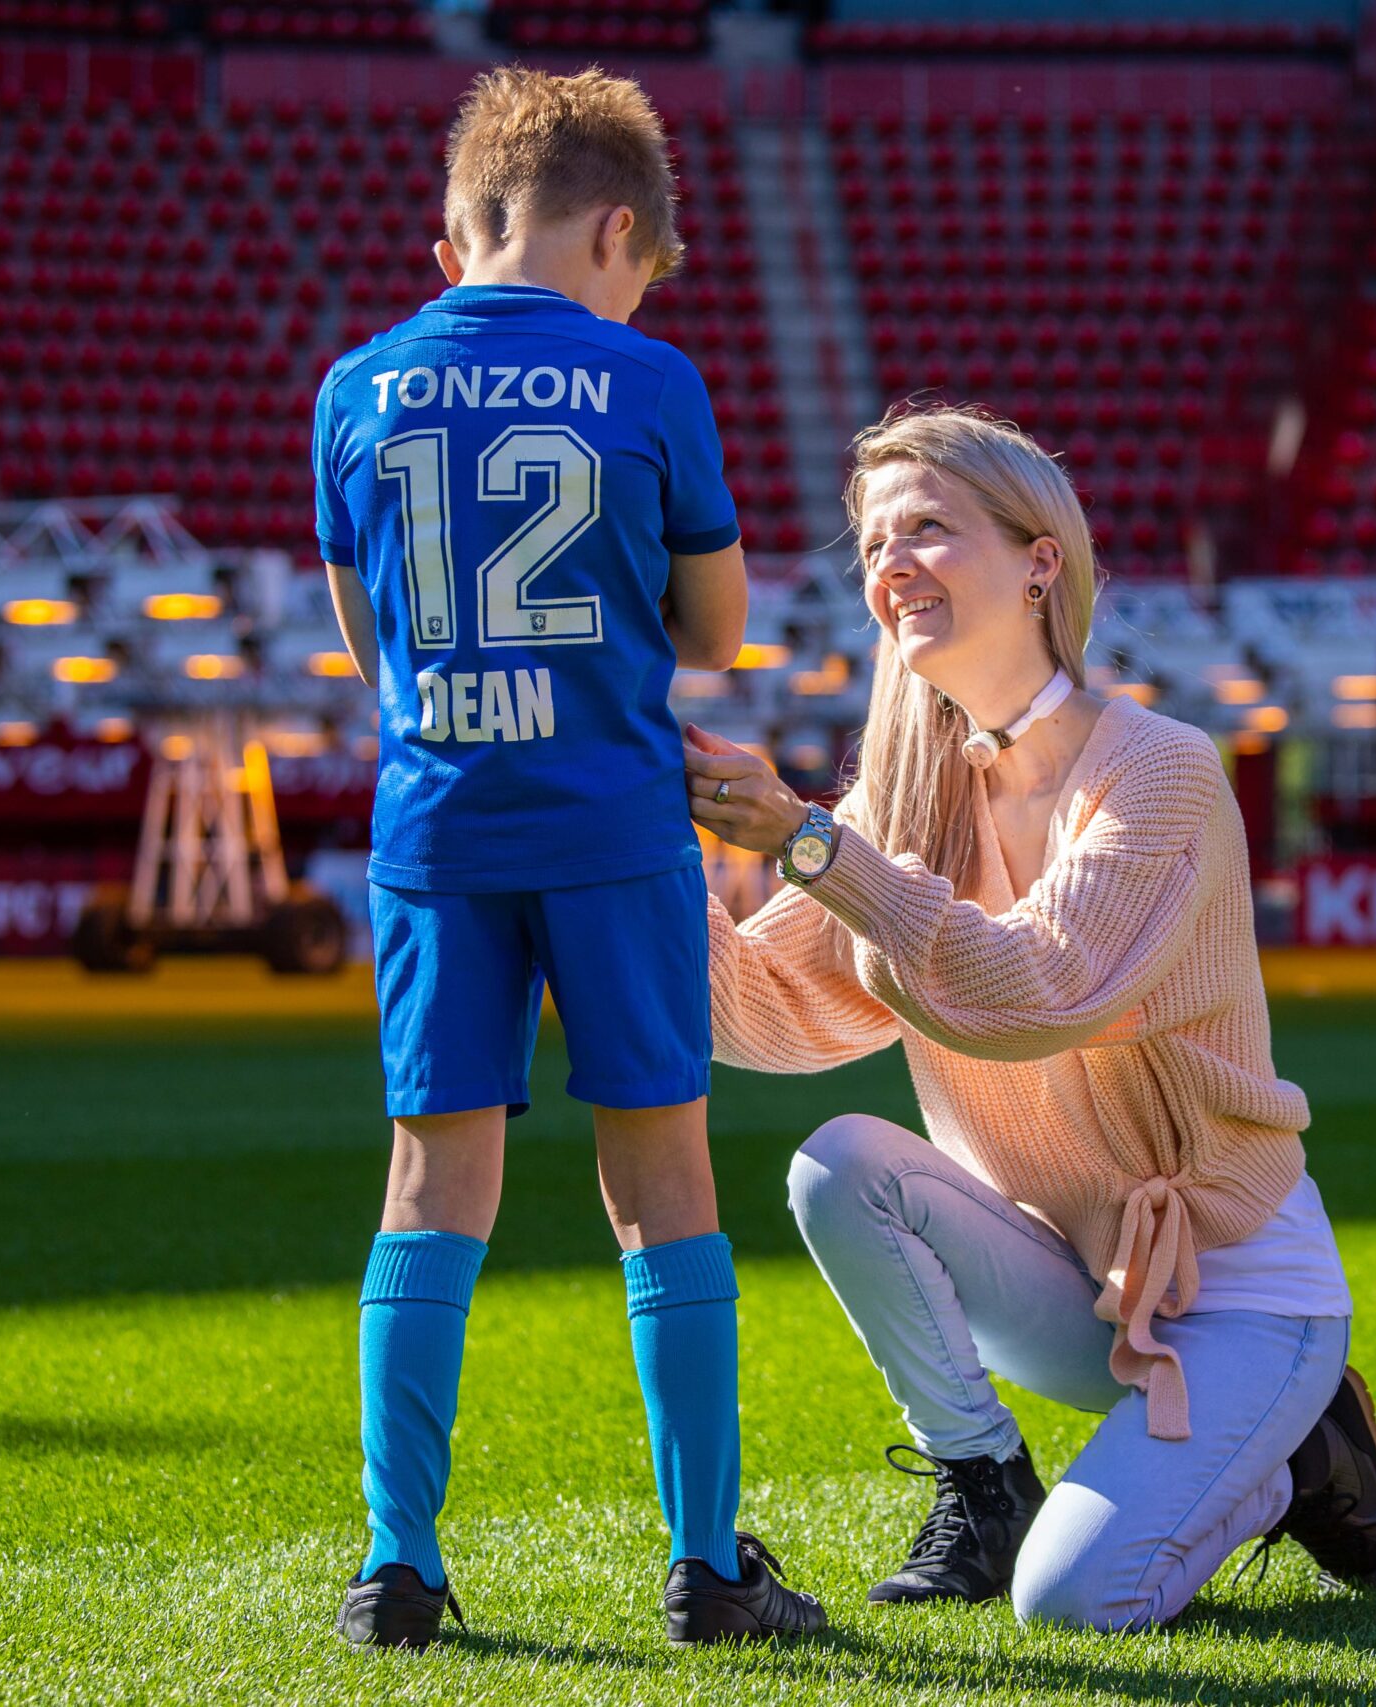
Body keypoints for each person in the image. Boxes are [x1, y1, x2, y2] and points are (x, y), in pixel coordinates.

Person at [682, 406, 1376, 1632]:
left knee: (1076, 1605)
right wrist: (645, 856)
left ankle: (1289, 1459)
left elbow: (1041, 991)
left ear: (1040, 560)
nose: (891, 564)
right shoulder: (904, 797)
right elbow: (768, 1017)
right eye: (873, 543)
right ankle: (984, 1480)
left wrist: (811, 843)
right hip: (1070, 1284)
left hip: (1242, 1290)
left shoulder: (1162, 768)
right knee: (838, 1163)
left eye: (928, 528)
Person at [311, 67, 823, 1650]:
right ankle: (702, 1564)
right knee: (662, 1180)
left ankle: (399, 1562)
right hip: (612, 834)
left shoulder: (355, 387)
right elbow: (718, 633)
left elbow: (364, 635)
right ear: (620, 228)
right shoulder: (650, 379)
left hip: (438, 838)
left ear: (459, 226)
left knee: (428, 1183)